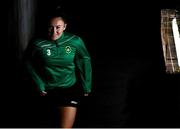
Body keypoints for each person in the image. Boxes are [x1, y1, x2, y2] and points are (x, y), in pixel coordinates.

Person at [23, 11, 92, 128]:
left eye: (58, 27)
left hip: (69, 89)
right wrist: (38, 83)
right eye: (50, 27)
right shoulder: (37, 43)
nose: (54, 31)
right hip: (47, 91)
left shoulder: (75, 41)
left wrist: (87, 84)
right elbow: (27, 61)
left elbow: (84, 59)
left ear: (65, 26)